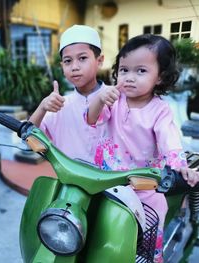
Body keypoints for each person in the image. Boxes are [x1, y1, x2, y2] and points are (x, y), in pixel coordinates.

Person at [85, 34, 199, 262]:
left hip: (142, 183)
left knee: (152, 217)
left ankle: (147, 256)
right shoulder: (114, 99)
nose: (129, 77)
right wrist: (99, 98)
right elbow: (91, 119)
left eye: (141, 71)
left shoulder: (160, 110)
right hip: (105, 178)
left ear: (160, 77)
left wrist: (180, 167)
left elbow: (169, 140)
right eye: (124, 69)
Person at [29, 24, 105, 162]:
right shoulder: (59, 105)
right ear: (62, 66)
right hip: (69, 182)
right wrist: (42, 107)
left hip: (111, 182)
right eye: (68, 61)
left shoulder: (116, 99)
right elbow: (29, 137)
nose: (74, 67)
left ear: (99, 61)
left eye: (82, 58)